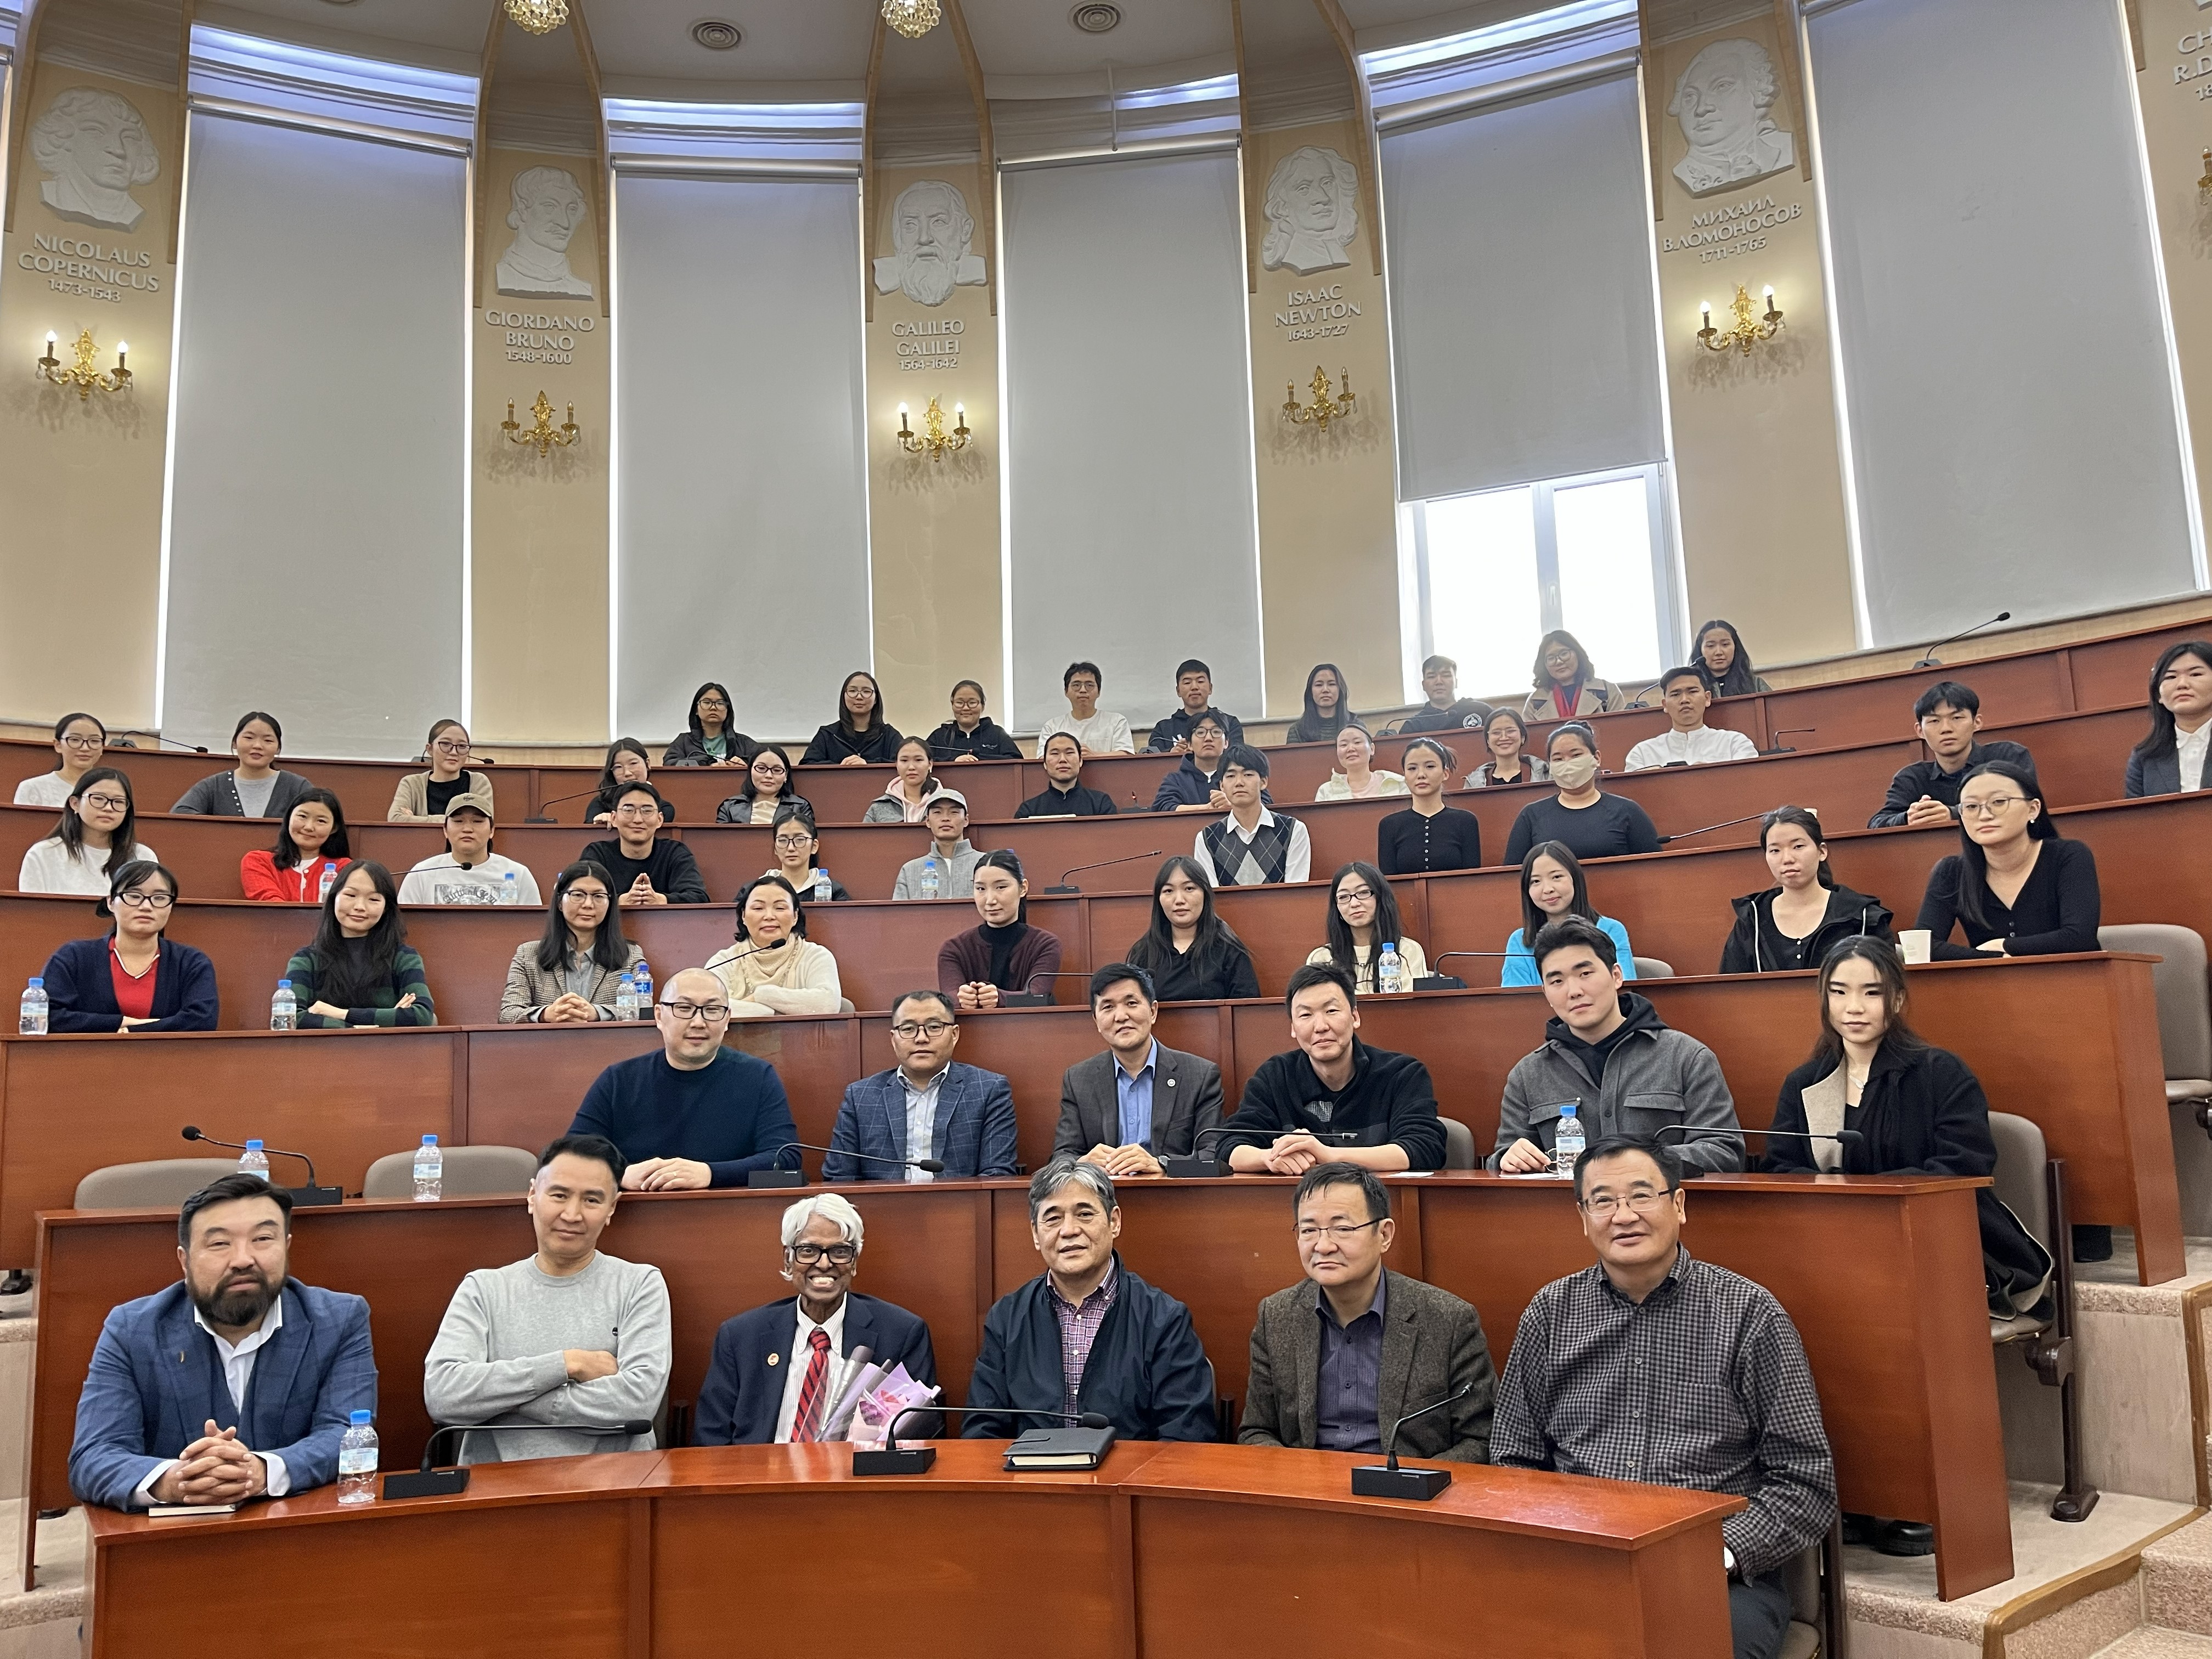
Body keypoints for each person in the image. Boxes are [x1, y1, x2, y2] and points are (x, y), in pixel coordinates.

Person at [1489, 1138, 1836, 1659]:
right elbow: (1513, 1458)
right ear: (1583, 1218)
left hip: (1716, 1569)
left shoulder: (1749, 1315)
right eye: (1603, 1201)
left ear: (1678, 1205)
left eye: (1641, 1196)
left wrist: (1719, 1555)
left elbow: (1805, 1480)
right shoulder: (1550, 1312)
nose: (1623, 1216)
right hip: (1580, 1557)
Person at [1768, 938, 2051, 1325]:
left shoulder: (1942, 1073)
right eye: (1839, 992)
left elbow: (1963, 1168)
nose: (1854, 1007)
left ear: (1898, 1000)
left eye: (1872, 993)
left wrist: (1863, 1198)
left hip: (1935, 1247)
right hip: (1837, 1246)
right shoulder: (1804, 1084)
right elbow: (1781, 1169)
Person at [67, 1175, 376, 1511]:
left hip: (297, 1533)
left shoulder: (340, 1319)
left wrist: (259, 1471)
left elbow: (347, 1435)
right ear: (185, 1261)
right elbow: (94, 1456)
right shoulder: (132, 1329)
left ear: (286, 1247)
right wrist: (176, 1481)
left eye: (262, 1238)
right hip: (174, 1541)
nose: (243, 1259)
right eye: (219, 1244)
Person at [423, 1135, 670, 1464]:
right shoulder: (483, 1288)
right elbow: (444, 1395)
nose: (572, 1214)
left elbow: (637, 1403)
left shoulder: (640, 1284)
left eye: (592, 1200)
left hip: (613, 1489)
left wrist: (502, 1398)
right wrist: (568, 1364)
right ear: (532, 1196)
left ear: (611, 1209)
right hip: (496, 1492)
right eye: (559, 1195)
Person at [1239, 1164, 1494, 1460]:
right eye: (1309, 1230)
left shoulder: (1448, 1320)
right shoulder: (1277, 1315)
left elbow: (1482, 1438)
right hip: (1311, 1490)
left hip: (1407, 1494)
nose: (1323, 1246)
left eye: (1343, 1229)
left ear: (1384, 1235)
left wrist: (1416, 1485)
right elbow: (1256, 1431)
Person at [962, 1158, 1216, 1442]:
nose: (1069, 1230)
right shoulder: (1007, 1318)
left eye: (1084, 1214)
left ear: (1114, 1222)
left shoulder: (1164, 1319)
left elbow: (1186, 1437)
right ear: (1036, 1234)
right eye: (1053, 1218)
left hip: (1126, 1482)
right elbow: (982, 1431)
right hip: (1033, 1481)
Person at [1492, 919, 1741, 1173]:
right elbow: (1503, 1157)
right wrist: (1508, 1158)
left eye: (1585, 974)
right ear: (1545, 991)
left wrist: (1633, 1164)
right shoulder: (1527, 1075)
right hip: (1564, 1211)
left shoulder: (1687, 1058)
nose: (1574, 991)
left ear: (1616, 976)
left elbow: (1724, 1151)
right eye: (1557, 981)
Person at [693, 1193, 941, 1446]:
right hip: (760, 1477)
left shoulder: (901, 1333)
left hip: (854, 1479)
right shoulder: (740, 1337)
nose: (824, 1264)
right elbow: (710, 1440)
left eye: (839, 1251)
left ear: (854, 1262)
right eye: (808, 1250)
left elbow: (915, 1438)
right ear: (788, 1260)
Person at [568, 967, 800, 1187]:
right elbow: (571, 1156)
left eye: (712, 1010)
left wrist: (710, 1173)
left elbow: (786, 1158)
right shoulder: (619, 1080)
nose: (698, 1023)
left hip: (728, 1216)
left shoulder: (758, 1077)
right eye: (684, 1008)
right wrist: (619, 1174)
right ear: (659, 1016)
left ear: (727, 1019)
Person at [1221, 964, 1445, 1173]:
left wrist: (1327, 1155)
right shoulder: (1274, 1077)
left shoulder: (1401, 1074)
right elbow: (1228, 1148)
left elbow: (1424, 1148)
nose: (1320, 1027)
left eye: (1331, 1011)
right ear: (1293, 1027)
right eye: (1306, 1015)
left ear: (1355, 1017)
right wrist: (1269, 1157)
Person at [822, 990, 1017, 1182]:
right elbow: (840, 1178)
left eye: (934, 1027)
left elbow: (996, 1174)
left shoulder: (988, 1089)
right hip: (882, 1210)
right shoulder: (861, 1096)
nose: (921, 1038)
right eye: (908, 1029)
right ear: (893, 1039)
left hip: (960, 1209)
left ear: (955, 1034)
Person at [1916, 761, 2100, 958]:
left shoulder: (2068, 856)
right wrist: (1994, 958)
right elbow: (1922, 946)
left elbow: (2080, 937)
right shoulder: (1951, 872)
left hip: (2075, 981)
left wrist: (2006, 945)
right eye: (1971, 806)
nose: (1984, 815)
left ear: (2033, 809)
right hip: (1991, 986)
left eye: (1999, 802)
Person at [1054, 963, 1224, 1171]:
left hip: (1176, 1195)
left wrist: (1162, 1164)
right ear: (1096, 1021)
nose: (1121, 1016)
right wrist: (1083, 1164)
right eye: (1108, 1007)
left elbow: (1213, 1156)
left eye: (1131, 1003)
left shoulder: (1199, 1076)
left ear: (1153, 1011)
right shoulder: (1079, 1079)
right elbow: (1062, 1157)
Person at [40, 861, 218, 1031]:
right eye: (134, 896)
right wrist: (123, 1022)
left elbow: (203, 1020)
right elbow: (47, 1017)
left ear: (171, 906)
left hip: (168, 1061)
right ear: (110, 902)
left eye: (159, 898)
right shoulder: (73, 957)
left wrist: (128, 1030)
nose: (146, 906)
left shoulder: (192, 963)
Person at [1719, 806, 1892, 973]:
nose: (1787, 859)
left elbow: (1887, 985)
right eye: (1775, 850)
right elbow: (1732, 992)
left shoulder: (1861, 916)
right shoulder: (1753, 918)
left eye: (1798, 847)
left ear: (1822, 852)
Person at [284, 861, 435, 1028]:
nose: (360, 907)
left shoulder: (404, 958)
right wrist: (377, 1023)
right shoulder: (307, 960)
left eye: (373, 899)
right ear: (333, 897)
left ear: (386, 908)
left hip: (388, 1053)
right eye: (351, 895)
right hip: (324, 1052)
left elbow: (422, 1016)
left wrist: (340, 1014)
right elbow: (290, 1017)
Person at [1867, 681, 2037, 829]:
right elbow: (1877, 823)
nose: (1946, 729)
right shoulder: (1911, 778)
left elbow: (2023, 804)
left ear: (1976, 723)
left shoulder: (2007, 756)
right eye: (1935, 721)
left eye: (1956, 718)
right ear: (1920, 731)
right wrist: (1910, 817)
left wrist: (1953, 813)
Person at [501, 861, 644, 1023]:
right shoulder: (528, 955)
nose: (588, 905)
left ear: (610, 904)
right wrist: (546, 1014)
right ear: (560, 903)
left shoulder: (630, 955)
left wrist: (597, 1013)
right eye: (578, 895)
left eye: (598, 896)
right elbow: (508, 1014)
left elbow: (643, 1010)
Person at [1502, 723, 1660, 865]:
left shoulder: (1627, 811)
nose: (1568, 763)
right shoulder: (1531, 815)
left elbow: (1655, 869)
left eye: (1576, 755)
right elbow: (1512, 877)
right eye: (1558, 759)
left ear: (1596, 758)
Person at [1501, 843, 1639, 988]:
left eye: (1557, 877)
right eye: (1536, 881)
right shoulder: (1520, 941)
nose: (1548, 889)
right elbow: (1515, 1003)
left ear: (1575, 878)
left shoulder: (1611, 930)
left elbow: (1625, 991)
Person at [1125, 856, 1262, 1002]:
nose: (1179, 900)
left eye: (1189, 888)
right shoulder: (1143, 952)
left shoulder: (1229, 950)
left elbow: (1246, 1013)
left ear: (1205, 894)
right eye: (1169, 891)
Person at [706, 876, 844, 1018]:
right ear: (744, 916)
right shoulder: (724, 961)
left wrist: (761, 995)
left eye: (780, 908)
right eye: (758, 908)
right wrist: (770, 1011)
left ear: (795, 916)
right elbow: (709, 1010)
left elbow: (828, 1004)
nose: (769, 916)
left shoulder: (816, 956)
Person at [939, 850, 1063, 1008]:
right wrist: (960, 999)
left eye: (1001, 887)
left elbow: (1038, 995)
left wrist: (1000, 998)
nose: (990, 900)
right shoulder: (954, 949)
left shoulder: (1046, 944)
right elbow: (948, 1000)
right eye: (981, 889)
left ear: (1023, 888)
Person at [17, 767, 156, 895]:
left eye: (118, 802)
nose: (108, 808)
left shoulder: (142, 857)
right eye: (98, 799)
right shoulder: (43, 854)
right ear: (75, 804)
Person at [1194, 746, 1311, 887]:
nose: (1239, 783)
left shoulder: (1293, 830)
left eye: (1248, 775)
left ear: (1263, 782)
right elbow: (1212, 898)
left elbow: (1295, 892)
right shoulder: (1207, 838)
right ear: (1222, 786)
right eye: (1231, 776)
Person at [1306, 861, 1429, 991]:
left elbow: (1416, 1006)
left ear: (1381, 898)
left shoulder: (1407, 951)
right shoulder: (1322, 958)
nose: (1354, 903)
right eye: (1343, 897)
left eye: (1363, 892)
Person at [580, 783, 708, 906]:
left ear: (659, 820)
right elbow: (581, 896)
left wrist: (661, 900)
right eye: (628, 810)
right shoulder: (597, 853)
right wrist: (618, 901)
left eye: (647, 811)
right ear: (614, 819)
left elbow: (699, 898)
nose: (638, 819)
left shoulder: (675, 852)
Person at [170, 712, 314, 819]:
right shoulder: (214, 785)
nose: (257, 746)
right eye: (249, 738)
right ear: (235, 743)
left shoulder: (297, 786)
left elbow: (321, 818)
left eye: (268, 740)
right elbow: (180, 814)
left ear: (278, 748)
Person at [397, 800, 542, 906]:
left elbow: (532, 928)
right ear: (445, 830)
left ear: (492, 830)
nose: (467, 829)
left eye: (477, 821)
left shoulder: (518, 874)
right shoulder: (421, 873)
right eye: (459, 821)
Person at [1375, 738, 1482, 876]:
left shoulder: (1466, 821)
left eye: (1430, 766)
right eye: (1412, 768)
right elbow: (1389, 885)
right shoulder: (1389, 826)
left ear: (1445, 773)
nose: (1421, 775)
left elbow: (1472, 880)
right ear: (1405, 776)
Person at [1625, 668, 1759, 770]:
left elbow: (1751, 782)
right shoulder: (1643, 753)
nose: (1685, 700)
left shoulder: (1735, 743)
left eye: (1692, 692)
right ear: (1665, 705)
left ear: (1707, 698)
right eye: (1676, 694)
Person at [2125, 639, 2212, 798]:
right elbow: (2136, 820)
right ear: (2158, 694)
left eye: (2195, 674)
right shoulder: (2144, 758)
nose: (2182, 684)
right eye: (2171, 677)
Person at [240, 788, 351, 903]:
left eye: (321, 821)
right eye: (303, 816)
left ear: (334, 828)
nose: (309, 827)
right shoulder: (259, 861)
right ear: (289, 818)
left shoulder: (343, 868)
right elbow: (272, 909)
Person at [387, 719, 495, 822]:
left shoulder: (479, 782)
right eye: (446, 744)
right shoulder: (411, 784)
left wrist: (417, 819)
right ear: (430, 749)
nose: (454, 752)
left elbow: (484, 823)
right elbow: (396, 819)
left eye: (462, 746)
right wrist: (458, 820)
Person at [890, 792, 979, 899]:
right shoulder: (909, 870)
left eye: (954, 812)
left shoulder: (986, 864)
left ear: (966, 820)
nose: (945, 818)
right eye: (938, 812)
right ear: (928, 821)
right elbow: (899, 914)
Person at [803, 670, 901, 767]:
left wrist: (868, 765)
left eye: (866, 691)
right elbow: (807, 766)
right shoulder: (827, 735)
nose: (859, 697)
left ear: (876, 699)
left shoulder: (889, 736)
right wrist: (841, 768)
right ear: (844, 696)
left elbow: (902, 765)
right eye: (852, 691)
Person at [1036, 661, 1134, 757]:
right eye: (1076, 685)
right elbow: (1043, 759)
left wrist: (1094, 755)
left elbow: (1126, 755)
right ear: (1066, 691)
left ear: (1099, 691)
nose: (1083, 690)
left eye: (1089, 685)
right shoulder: (1052, 726)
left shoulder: (1116, 721)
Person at [1147, 659, 1245, 753]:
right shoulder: (1163, 729)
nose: (1194, 687)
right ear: (1178, 691)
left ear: (1210, 688)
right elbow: (1152, 760)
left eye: (1201, 681)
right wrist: (1171, 753)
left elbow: (1237, 757)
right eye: (1187, 682)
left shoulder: (1230, 723)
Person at [1522, 631, 1624, 720]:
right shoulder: (1535, 703)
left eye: (1564, 653)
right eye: (1551, 658)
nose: (1559, 662)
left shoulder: (1608, 692)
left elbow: (1620, 731)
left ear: (1578, 654)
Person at [1150, 710, 1239, 812]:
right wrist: (1207, 808)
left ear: (1226, 743)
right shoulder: (1176, 780)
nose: (1208, 738)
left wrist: (1233, 806)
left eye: (1216, 732)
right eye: (1200, 732)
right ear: (1189, 744)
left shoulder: (1240, 777)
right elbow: (1163, 809)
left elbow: (1259, 805)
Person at [13, 711, 107, 806]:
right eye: (75, 740)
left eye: (94, 741)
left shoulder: (113, 790)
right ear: (58, 745)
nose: (85, 748)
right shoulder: (32, 788)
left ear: (103, 747)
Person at [1017, 732, 1119, 817]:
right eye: (1055, 754)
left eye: (1069, 753)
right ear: (1045, 763)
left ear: (1080, 761)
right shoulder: (1029, 810)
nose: (1062, 760)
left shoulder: (1101, 804)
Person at [764, 803, 849, 901]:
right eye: (783, 840)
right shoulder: (757, 889)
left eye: (800, 840)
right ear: (775, 848)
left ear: (814, 846)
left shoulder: (832, 890)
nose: (791, 848)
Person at [663, 681, 759, 769]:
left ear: (727, 709)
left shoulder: (744, 743)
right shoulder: (683, 742)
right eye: (707, 703)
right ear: (696, 710)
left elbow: (764, 762)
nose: (713, 708)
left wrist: (746, 764)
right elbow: (669, 764)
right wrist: (706, 763)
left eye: (720, 703)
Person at [927, 679, 1023, 763]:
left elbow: (1016, 760)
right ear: (952, 705)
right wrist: (954, 760)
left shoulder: (997, 734)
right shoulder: (940, 736)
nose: (965, 708)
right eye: (959, 703)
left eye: (972, 703)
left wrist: (977, 759)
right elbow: (922, 761)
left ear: (983, 706)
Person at [716, 745, 810, 825]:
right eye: (761, 768)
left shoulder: (800, 807)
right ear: (750, 771)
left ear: (786, 775)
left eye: (777, 770)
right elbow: (721, 843)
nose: (769, 776)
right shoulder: (729, 807)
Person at [862, 737, 947, 823]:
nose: (911, 767)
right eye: (904, 760)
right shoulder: (878, 808)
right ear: (897, 765)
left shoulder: (948, 804)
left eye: (918, 760)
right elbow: (865, 836)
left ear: (930, 764)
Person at [1313, 725, 1407, 802]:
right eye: (1343, 745)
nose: (1350, 749)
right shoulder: (1326, 790)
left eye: (1357, 742)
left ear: (1372, 749)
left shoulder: (1397, 783)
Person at [1399, 656, 1490, 735]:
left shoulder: (1482, 711)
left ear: (1456, 682)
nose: (1439, 682)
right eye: (1431, 677)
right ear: (1423, 685)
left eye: (1446, 675)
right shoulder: (1414, 725)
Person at [1468, 707, 1548, 788]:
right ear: (1488, 741)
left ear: (1523, 737)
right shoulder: (1474, 783)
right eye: (1496, 733)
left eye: (1511, 731)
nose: (1504, 738)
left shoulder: (1545, 774)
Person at [1284, 663, 1363, 745]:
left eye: (1332, 684)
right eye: (1319, 685)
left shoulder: (1357, 725)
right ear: (1310, 692)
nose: (1325, 690)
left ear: (1340, 690)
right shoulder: (1297, 730)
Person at [1695, 618, 1771, 698]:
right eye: (1711, 646)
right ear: (1700, 650)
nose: (1719, 652)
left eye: (1725, 644)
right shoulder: (1690, 687)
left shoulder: (1756, 684)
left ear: (1735, 647)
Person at [586, 738, 652, 826]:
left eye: (633, 763)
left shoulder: (663, 807)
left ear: (648, 764)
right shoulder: (600, 804)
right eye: (618, 767)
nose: (627, 773)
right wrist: (600, 821)